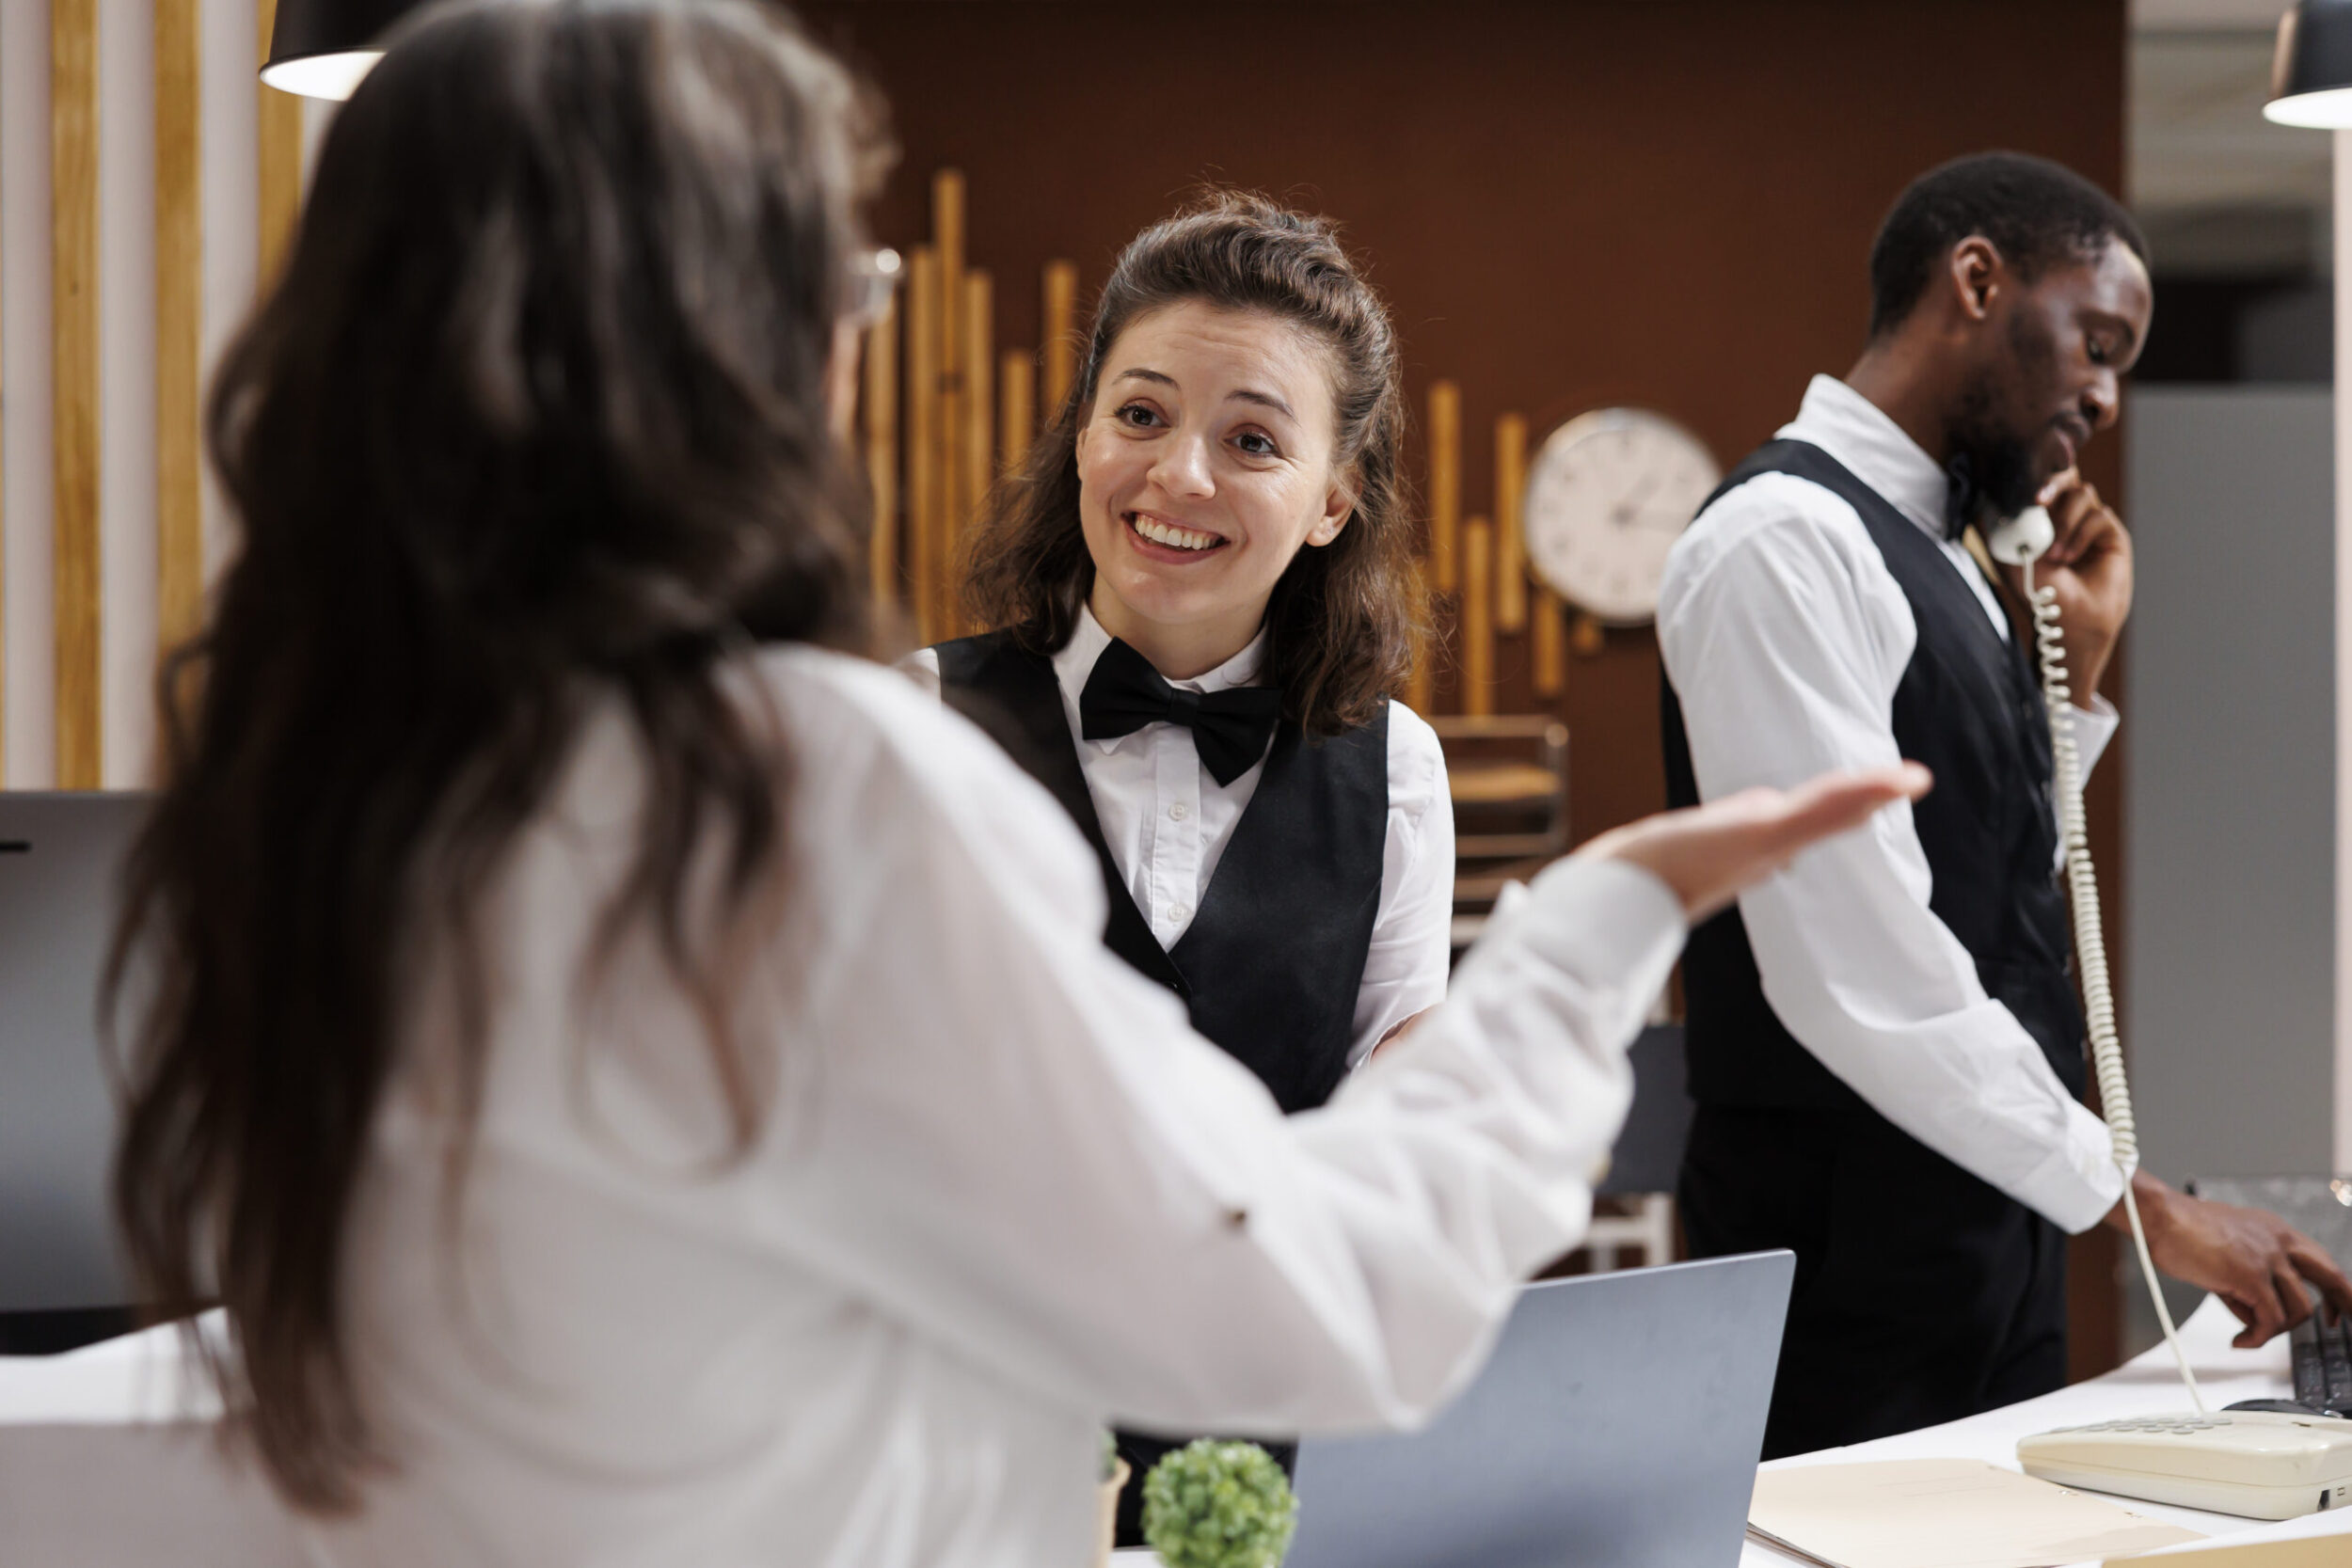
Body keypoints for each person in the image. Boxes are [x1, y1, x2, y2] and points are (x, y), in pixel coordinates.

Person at [104, 4, 1919, 1565]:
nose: (859, 323)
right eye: (841, 272)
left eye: (1252, 438)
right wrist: (1604, 929)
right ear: (715, 336)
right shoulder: (822, 792)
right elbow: (1307, 1301)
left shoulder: (347, 785)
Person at [1658, 150, 2352, 1461]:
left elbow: (1975, 882)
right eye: (2097, 340)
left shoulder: (1951, 560)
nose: (2102, 396)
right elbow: (1864, 971)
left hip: (1985, 1244)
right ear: (1976, 279)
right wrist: (2146, 1209)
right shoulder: (1783, 543)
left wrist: (2070, 685)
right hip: (1842, 1276)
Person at [903, 195, 1444, 1537]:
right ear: (1082, 433)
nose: (1180, 475)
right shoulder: (918, 722)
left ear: (1334, 500)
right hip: (977, 1431)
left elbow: (1400, 1081)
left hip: (1280, 1439)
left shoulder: (1401, 768)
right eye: (1139, 414)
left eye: (1252, 439)